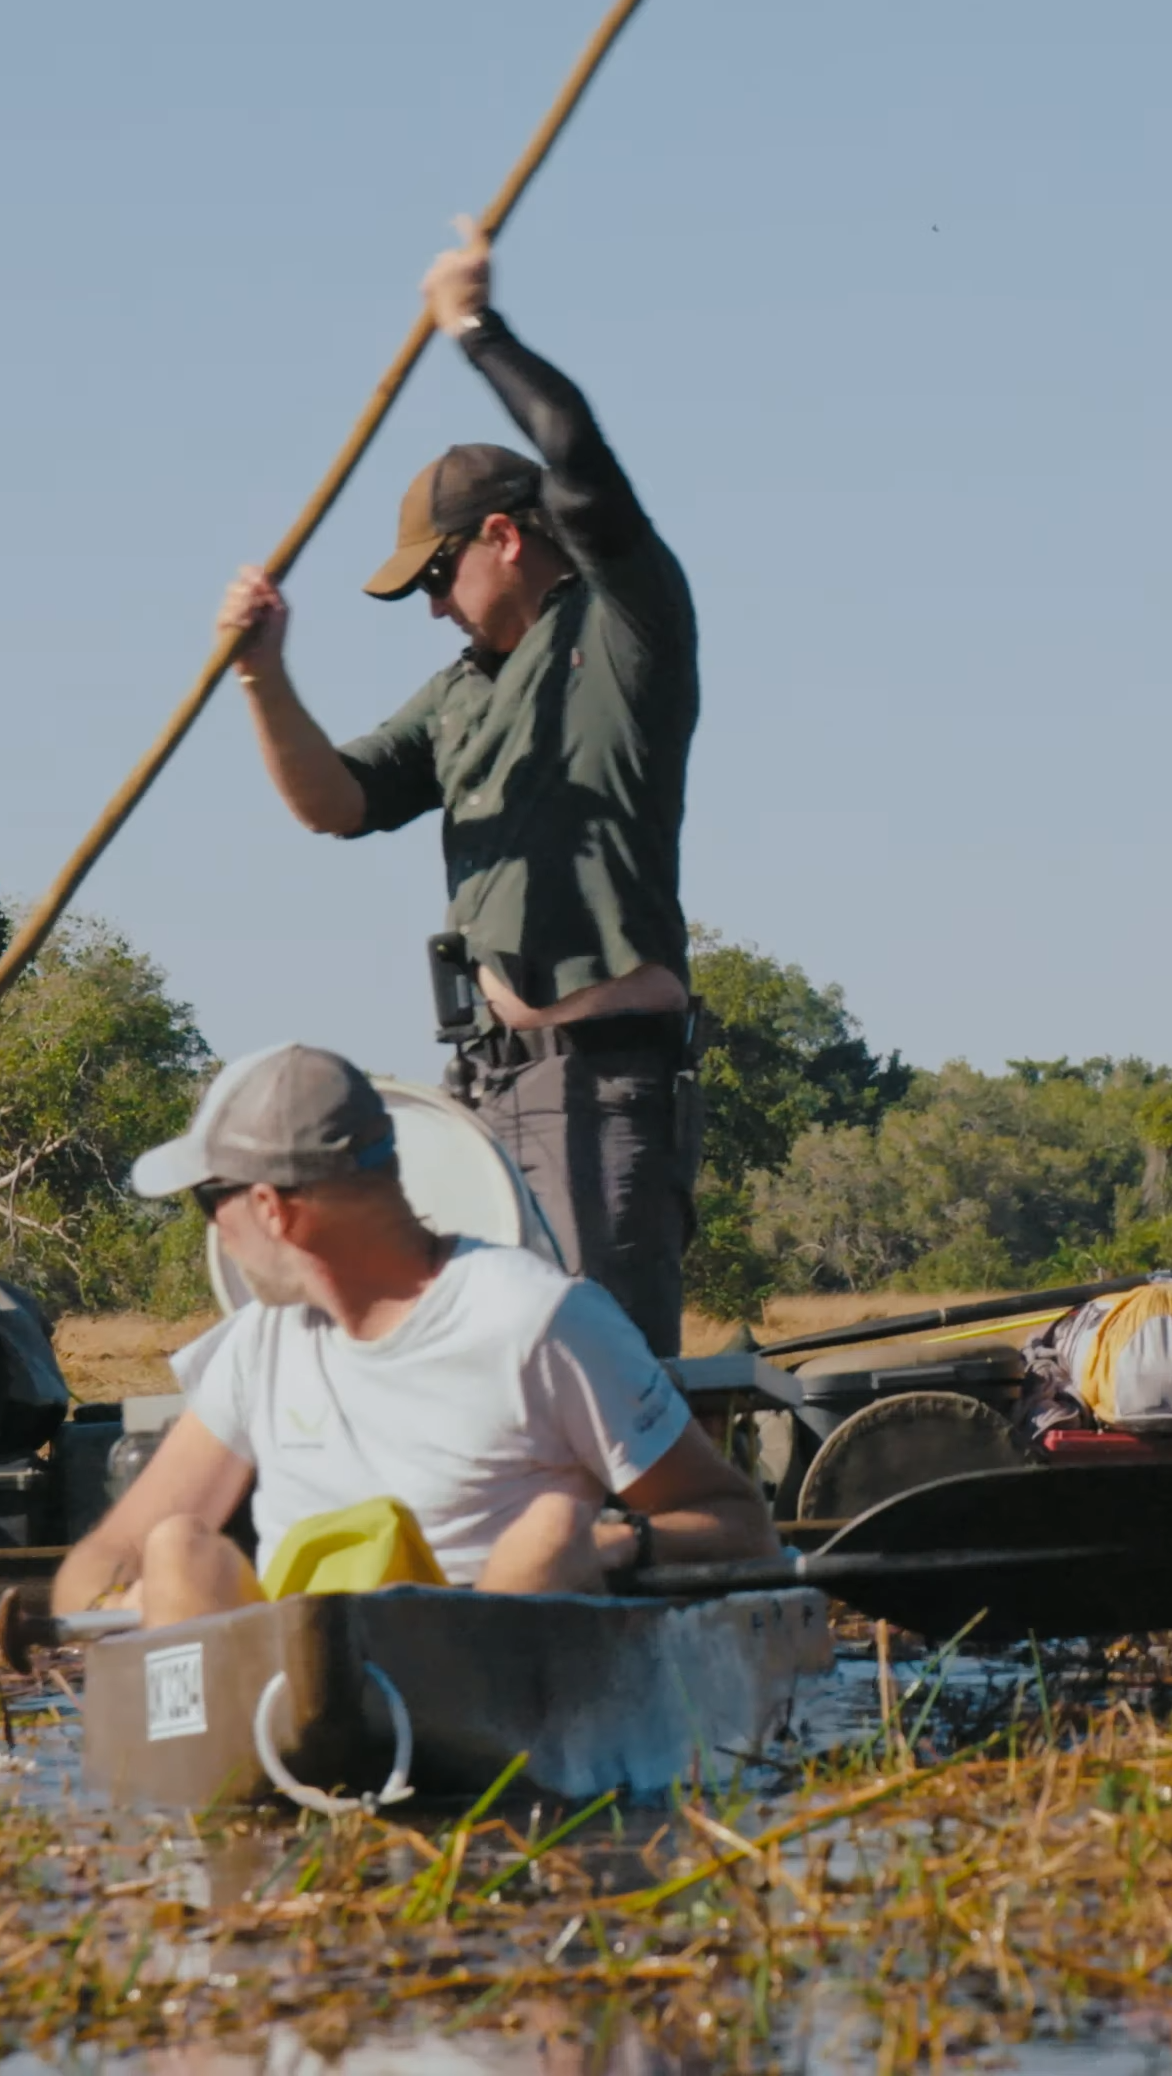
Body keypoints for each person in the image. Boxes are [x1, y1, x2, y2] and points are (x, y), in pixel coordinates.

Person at [215, 221, 703, 1358]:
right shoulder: (462, 694)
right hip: (485, 1093)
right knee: (487, 1380)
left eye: (438, 577)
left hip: (604, 1087)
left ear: (502, 535)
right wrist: (261, 676)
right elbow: (335, 801)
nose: (433, 606)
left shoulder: (628, 624)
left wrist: (476, 329)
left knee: (600, 1381)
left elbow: (580, 460)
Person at [51, 1045, 775, 1629]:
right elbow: (110, 1553)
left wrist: (613, 1540)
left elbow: (741, 1525)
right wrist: (115, 1603)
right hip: (295, 1692)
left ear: (272, 1210)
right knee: (176, 1549)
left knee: (550, 1530)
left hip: (485, 1674)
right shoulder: (256, 1346)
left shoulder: (542, 1321)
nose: (211, 1228)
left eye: (209, 1200)